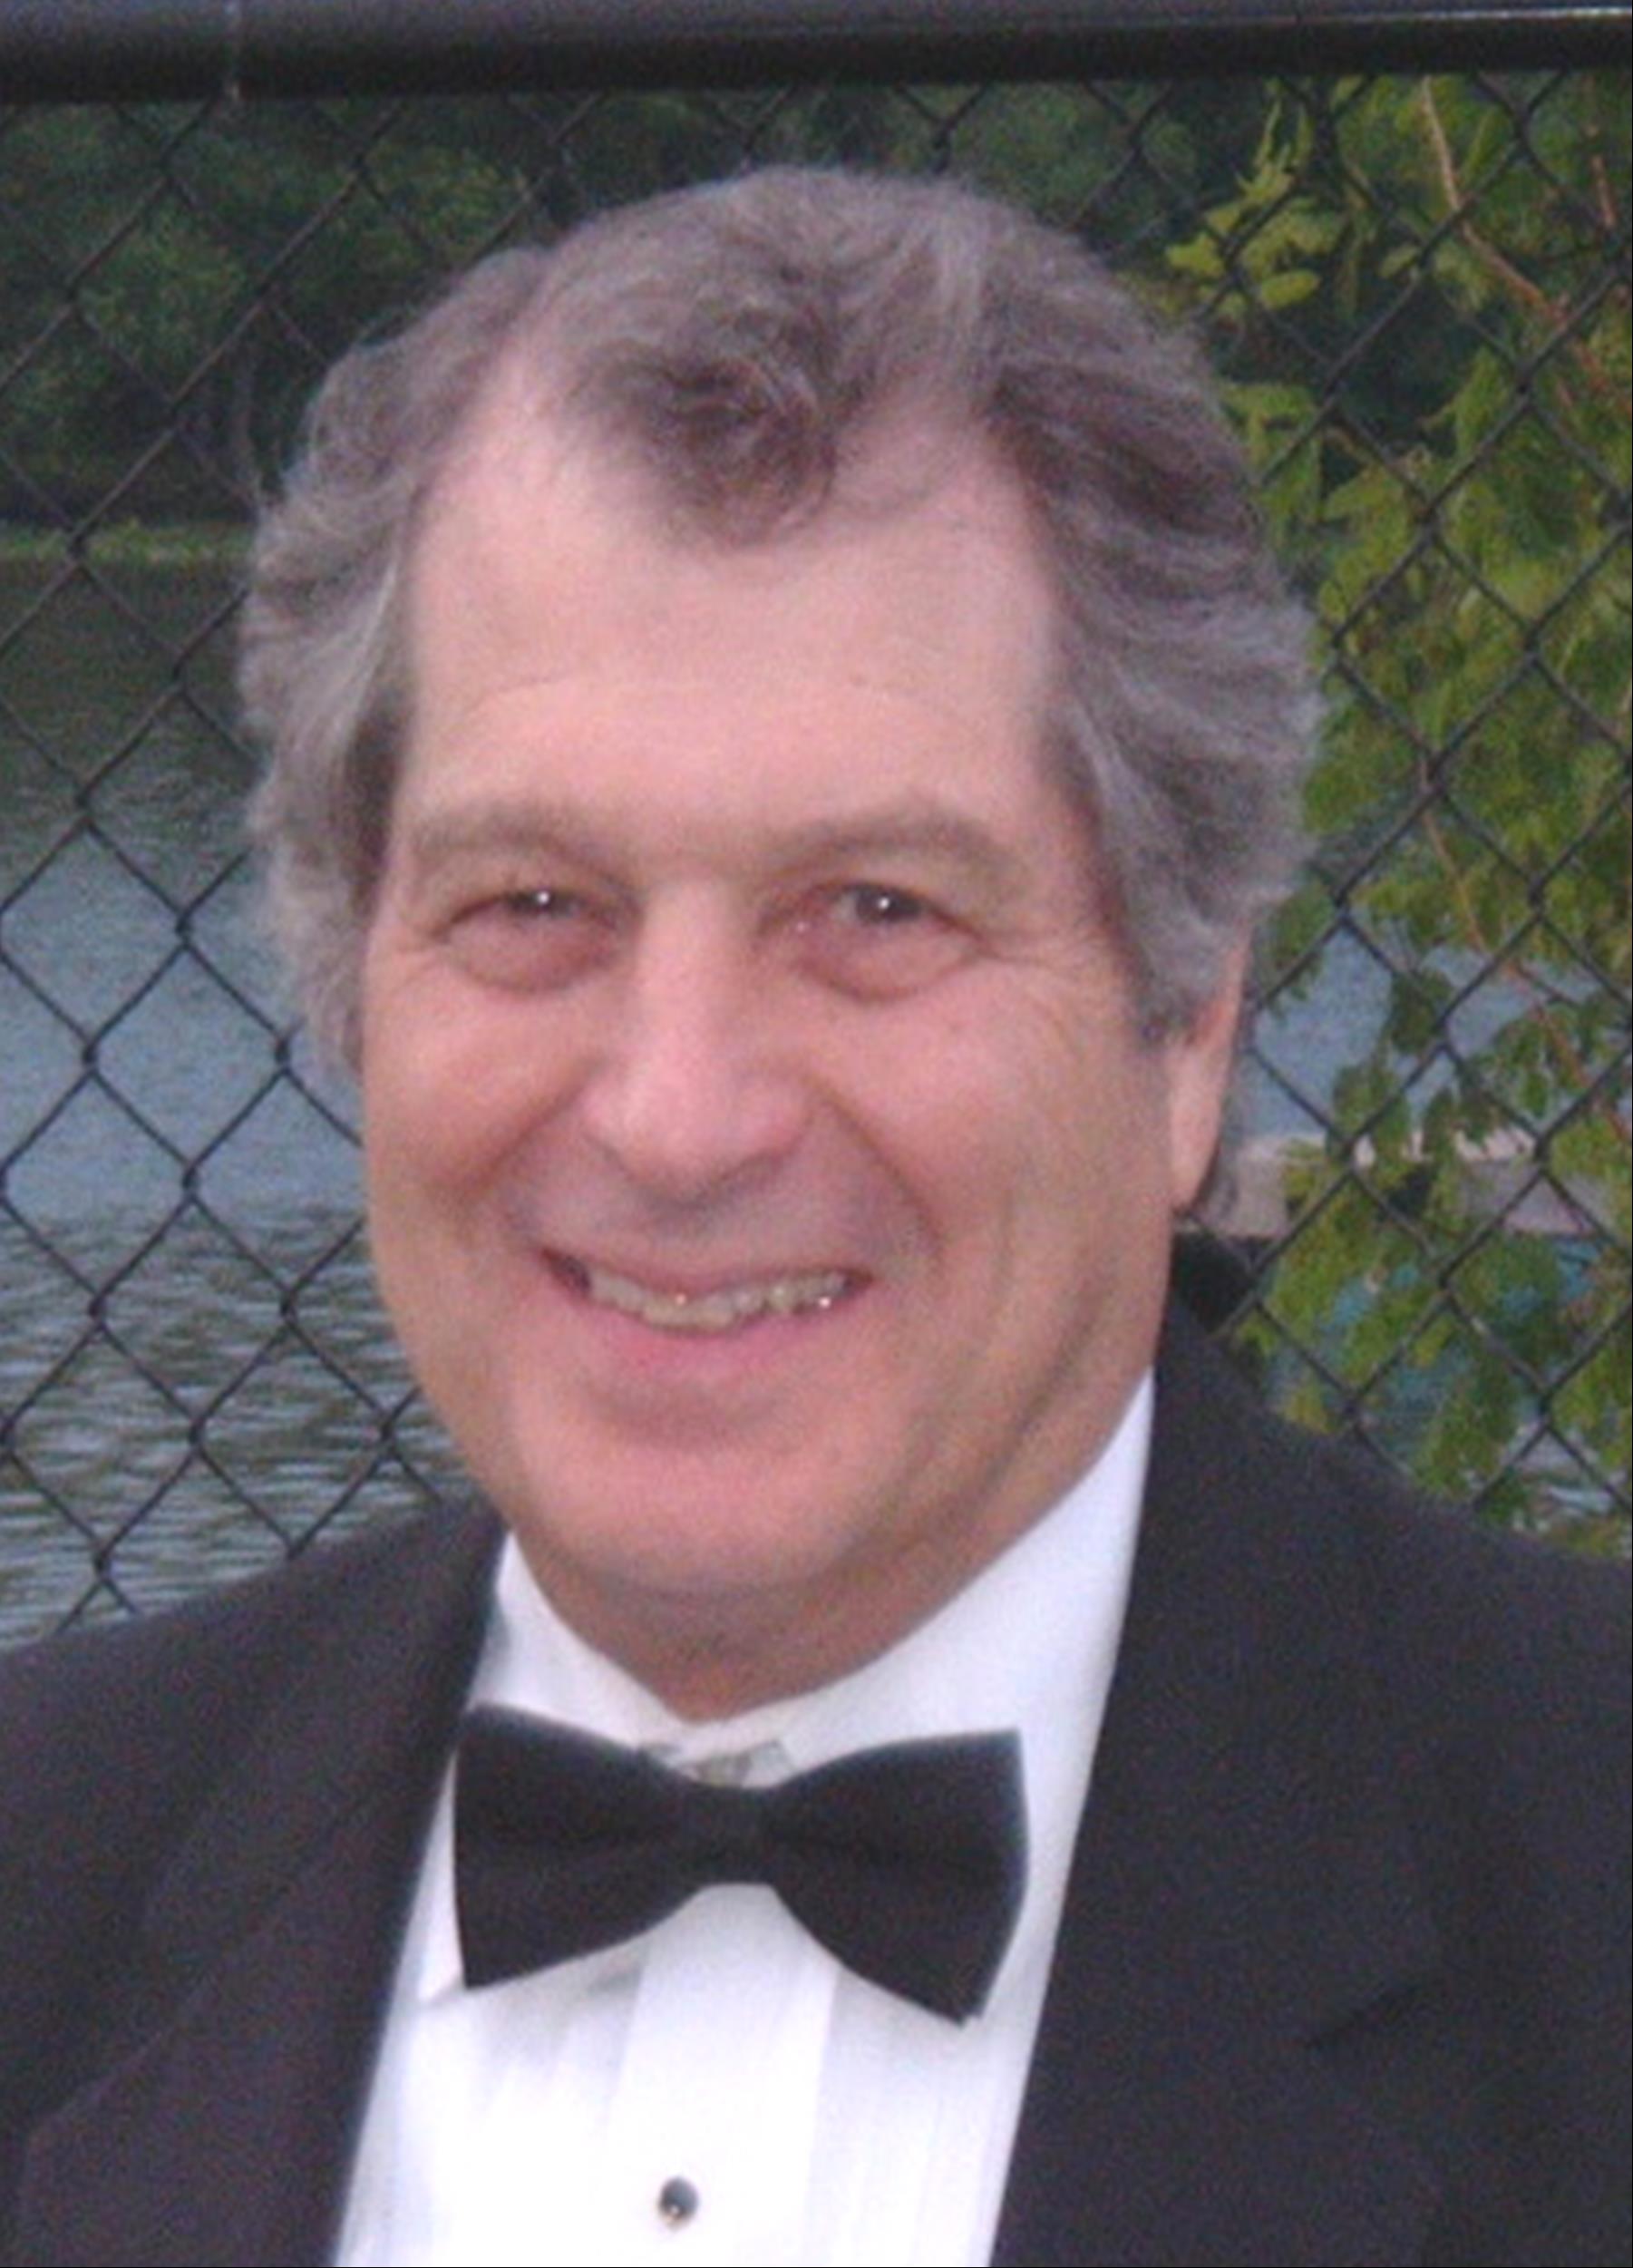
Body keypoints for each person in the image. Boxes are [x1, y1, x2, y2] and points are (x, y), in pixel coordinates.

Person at [1, 169, 1625, 2268]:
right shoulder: (41, 1861)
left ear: (1186, 1030)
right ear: (355, 987)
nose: (678, 1117)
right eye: (534, 905)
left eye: (875, 909)